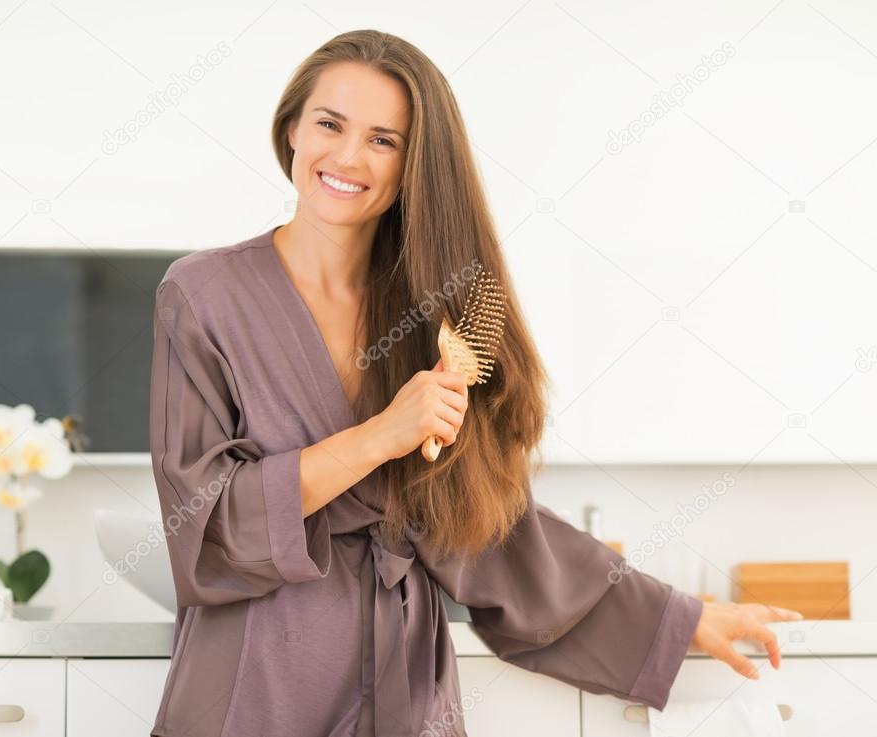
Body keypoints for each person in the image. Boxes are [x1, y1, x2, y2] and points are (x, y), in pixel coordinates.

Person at [148, 29, 803, 737]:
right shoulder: (202, 293)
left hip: (402, 686)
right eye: (330, 125)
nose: (346, 156)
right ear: (292, 132)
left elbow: (488, 529)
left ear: (413, 163)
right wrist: (380, 436)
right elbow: (204, 520)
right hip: (252, 686)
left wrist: (682, 618)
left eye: (383, 140)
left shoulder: (440, 315)